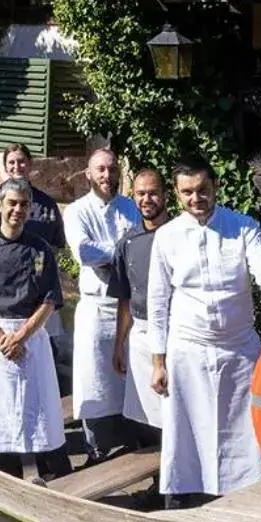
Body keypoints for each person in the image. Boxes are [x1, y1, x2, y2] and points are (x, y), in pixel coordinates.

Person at [148, 159, 261, 508]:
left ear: (215, 185)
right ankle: (182, 503)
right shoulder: (166, 236)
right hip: (188, 349)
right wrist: (158, 362)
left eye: (202, 189)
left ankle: (248, 499)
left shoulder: (243, 227)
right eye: (187, 192)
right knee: (185, 434)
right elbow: (157, 303)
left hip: (239, 350)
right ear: (176, 193)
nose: (196, 198)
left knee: (245, 431)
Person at [0, 178, 73, 480]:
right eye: (12, 203)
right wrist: (2, 339)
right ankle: (1, 468)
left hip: (31, 335)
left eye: (24, 204)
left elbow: (50, 299)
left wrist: (23, 335)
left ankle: (50, 468)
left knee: (39, 404)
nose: (17, 210)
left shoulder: (41, 249)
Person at [63, 146, 138, 462]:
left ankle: (132, 439)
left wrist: (115, 255)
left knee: (129, 374)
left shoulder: (130, 207)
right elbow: (85, 253)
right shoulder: (76, 211)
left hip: (127, 305)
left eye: (112, 169)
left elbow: (141, 247)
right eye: (101, 170)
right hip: (95, 305)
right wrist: (121, 252)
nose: (108, 175)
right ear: (89, 174)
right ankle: (95, 447)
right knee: (93, 377)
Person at [110, 165, 168, 442]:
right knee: (148, 412)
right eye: (141, 194)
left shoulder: (182, 235)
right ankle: (161, 475)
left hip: (177, 331)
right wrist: (119, 344)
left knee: (178, 407)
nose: (147, 200)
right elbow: (125, 299)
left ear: (165, 195)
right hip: (141, 333)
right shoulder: (127, 242)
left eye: (153, 193)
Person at [0, 143, 67, 256]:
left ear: (30, 164)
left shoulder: (46, 203)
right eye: (11, 162)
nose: (17, 166)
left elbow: (57, 243)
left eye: (21, 161)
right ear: (5, 167)